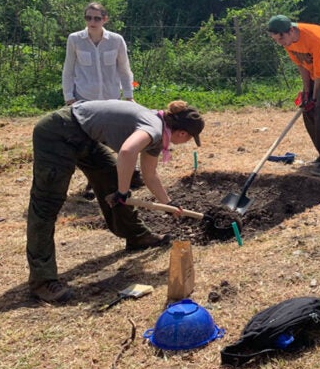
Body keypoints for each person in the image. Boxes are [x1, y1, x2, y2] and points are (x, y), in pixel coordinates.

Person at [27, 99, 204, 303]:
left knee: (111, 176)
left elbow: (150, 175)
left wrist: (168, 204)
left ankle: (136, 236)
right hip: (58, 131)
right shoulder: (154, 128)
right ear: (182, 133)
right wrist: (122, 192)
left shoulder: (158, 131)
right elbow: (127, 152)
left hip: (83, 135)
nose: (187, 141)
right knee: (46, 204)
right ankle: (42, 280)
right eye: (190, 138)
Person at [62, 2, 141, 197]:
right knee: (89, 143)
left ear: (105, 19)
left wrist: (129, 96)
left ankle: (128, 176)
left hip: (110, 98)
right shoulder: (75, 39)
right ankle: (93, 182)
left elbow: (124, 69)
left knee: (117, 138)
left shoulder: (116, 40)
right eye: (88, 17)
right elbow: (68, 70)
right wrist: (69, 97)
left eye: (97, 18)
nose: (92, 22)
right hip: (85, 99)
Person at [267, 15, 320, 177]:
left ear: (291, 31)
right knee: (307, 108)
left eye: (280, 38)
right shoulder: (288, 42)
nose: (279, 43)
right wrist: (306, 93)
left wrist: (314, 97)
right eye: (275, 40)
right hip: (314, 70)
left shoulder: (313, 37)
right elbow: (302, 66)